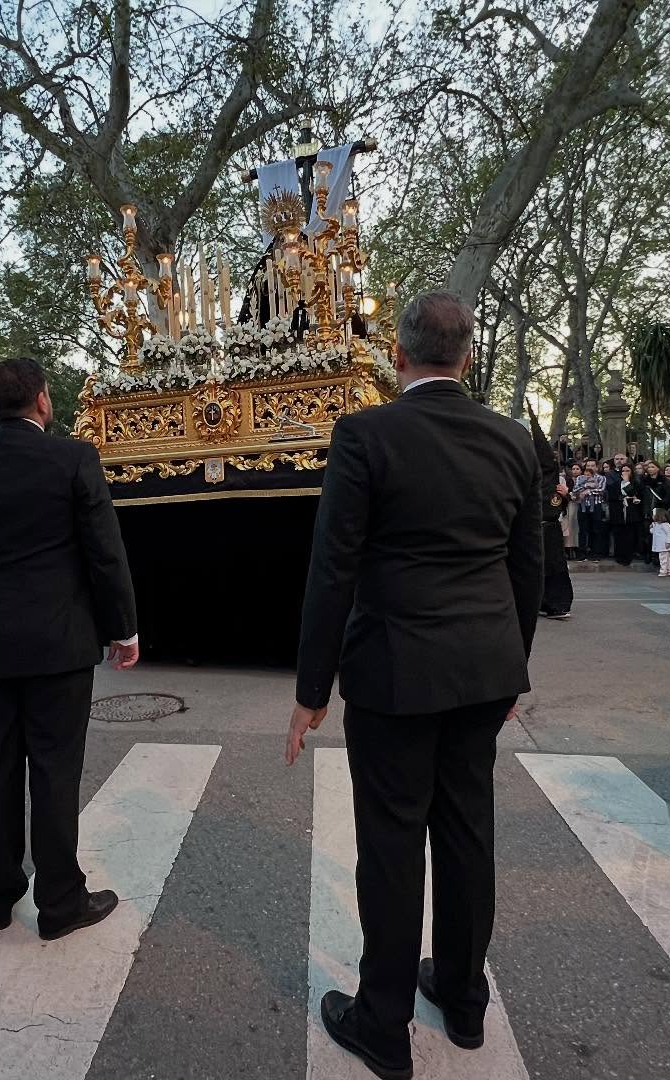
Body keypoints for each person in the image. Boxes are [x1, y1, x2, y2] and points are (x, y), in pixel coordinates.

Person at [288, 292, 542, 1079]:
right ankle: (463, 1000)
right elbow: (528, 568)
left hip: (394, 668)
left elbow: (333, 568)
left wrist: (311, 688)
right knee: (468, 835)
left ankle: (384, 1020)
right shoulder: (514, 440)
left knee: (392, 846)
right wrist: (513, 666)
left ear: (398, 355)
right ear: (467, 355)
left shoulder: (366, 433)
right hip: (483, 669)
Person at [0, 357, 138, 940]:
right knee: (55, 770)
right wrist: (121, 628)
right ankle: (59, 900)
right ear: (43, 401)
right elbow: (104, 552)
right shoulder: (73, 457)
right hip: (59, 641)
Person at [529, 408, 571, 620]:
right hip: (534, 531)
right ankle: (540, 602)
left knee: (554, 567)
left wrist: (566, 496)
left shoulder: (555, 483)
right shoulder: (528, 479)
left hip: (550, 530)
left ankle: (557, 603)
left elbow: (558, 506)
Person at [611, 464, 645, 566]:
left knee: (629, 535)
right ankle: (619, 556)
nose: (625, 473)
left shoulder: (636, 483)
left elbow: (633, 493)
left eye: (627, 471)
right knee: (619, 535)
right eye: (623, 471)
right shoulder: (616, 484)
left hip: (631, 512)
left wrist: (626, 482)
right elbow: (612, 496)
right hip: (619, 512)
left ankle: (628, 556)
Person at [651, 508, 670, 577]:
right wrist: (651, 528)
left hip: (664, 545)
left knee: (663, 558)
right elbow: (654, 532)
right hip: (661, 545)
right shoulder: (656, 524)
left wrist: (668, 542)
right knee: (667, 558)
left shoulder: (665, 525)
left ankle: (663, 571)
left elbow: (669, 533)